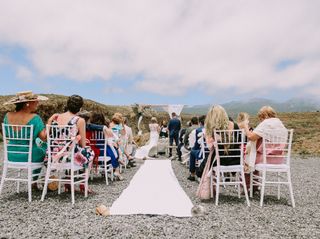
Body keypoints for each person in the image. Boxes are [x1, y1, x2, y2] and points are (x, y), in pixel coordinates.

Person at [47, 95, 95, 191]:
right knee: (89, 152)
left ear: (67, 105)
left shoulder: (55, 117)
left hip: (52, 155)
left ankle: (68, 182)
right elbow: (83, 145)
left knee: (73, 151)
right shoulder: (79, 120)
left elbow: (49, 135)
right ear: (80, 108)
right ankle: (83, 184)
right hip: (69, 156)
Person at [3, 91, 48, 189]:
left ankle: (36, 182)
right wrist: (50, 125)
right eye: (35, 101)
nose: (37, 103)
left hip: (11, 154)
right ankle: (35, 181)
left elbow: (6, 135)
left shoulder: (7, 115)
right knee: (45, 150)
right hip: (28, 155)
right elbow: (44, 138)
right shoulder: (35, 118)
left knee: (39, 146)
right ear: (27, 104)